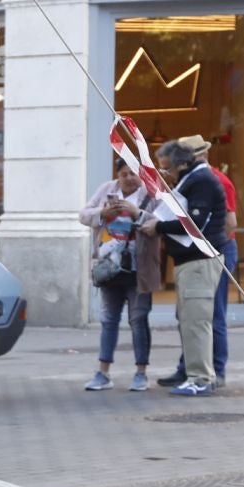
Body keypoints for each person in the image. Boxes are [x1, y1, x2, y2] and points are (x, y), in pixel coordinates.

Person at [143, 139, 226, 397]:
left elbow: (194, 223)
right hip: (190, 261)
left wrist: (159, 227)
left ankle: (200, 378)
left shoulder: (201, 181)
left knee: (196, 321)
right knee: (188, 319)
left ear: (181, 163)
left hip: (199, 262)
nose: (166, 173)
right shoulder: (192, 180)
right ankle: (193, 372)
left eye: (167, 168)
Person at [78, 156, 155, 391]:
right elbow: (83, 215)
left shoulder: (151, 194)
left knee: (138, 319)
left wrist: (137, 213)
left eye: (133, 174)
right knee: (109, 319)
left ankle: (141, 373)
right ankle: (103, 373)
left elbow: (161, 222)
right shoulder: (107, 190)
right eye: (124, 174)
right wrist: (103, 213)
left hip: (138, 268)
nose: (129, 178)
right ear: (117, 175)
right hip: (109, 267)